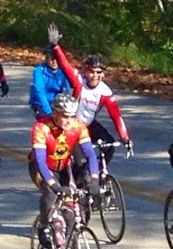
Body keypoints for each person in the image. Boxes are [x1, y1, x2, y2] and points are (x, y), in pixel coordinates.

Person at [46, 26, 132, 158]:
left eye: (98, 72)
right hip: (71, 125)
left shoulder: (105, 92)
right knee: (81, 161)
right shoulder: (78, 81)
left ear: (103, 74)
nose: (94, 76)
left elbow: (116, 116)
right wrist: (56, 47)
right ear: (85, 72)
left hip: (89, 125)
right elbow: (65, 65)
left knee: (109, 146)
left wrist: (124, 137)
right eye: (91, 72)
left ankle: (98, 170)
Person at [29, 92, 100, 237]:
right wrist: (54, 185)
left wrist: (94, 179)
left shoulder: (78, 127)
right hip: (41, 168)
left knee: (70, 214)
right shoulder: (41, 127)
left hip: (62, 168)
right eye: (65, 116)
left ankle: (66, 245)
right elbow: (40, 161)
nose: (69, 120)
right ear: (55, 113)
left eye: (72, 116)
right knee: (50, 194)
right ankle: (43, 226)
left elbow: (90, 155)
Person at [28, 45, 73, 117]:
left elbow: (67, 90)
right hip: (40, 101)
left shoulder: (64, 70)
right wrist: (48, 111)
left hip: (57, 101)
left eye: (56, 59)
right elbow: (40, 91)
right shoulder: (39, 70)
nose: (54, 61)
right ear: (46, 59)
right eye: (51, 59)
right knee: (44, 118)